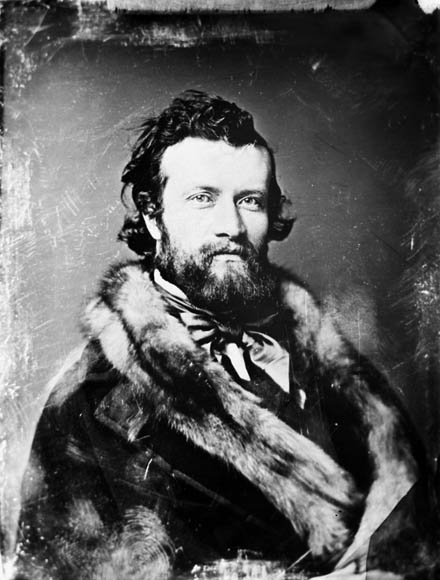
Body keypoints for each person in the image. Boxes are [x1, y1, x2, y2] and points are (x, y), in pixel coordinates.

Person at [13, 91, 438, 579]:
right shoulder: (88, 404)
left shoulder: (338, 363)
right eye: (202, 198)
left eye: (250, 201)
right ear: (152, 216)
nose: (231, 226)